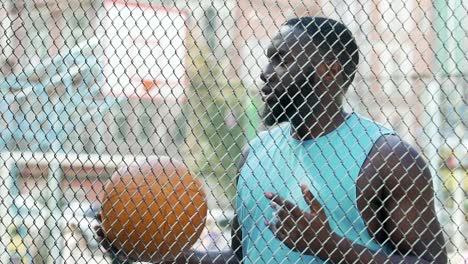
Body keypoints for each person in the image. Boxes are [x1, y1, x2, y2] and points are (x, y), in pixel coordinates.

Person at [95, 16, 447, 263]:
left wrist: (329, 246)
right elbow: (243, 257)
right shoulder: (255, 152)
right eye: (268, 60)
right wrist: (155, 253)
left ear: (330, 69)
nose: (265, 73)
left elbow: (433, 262)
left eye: (282, 60)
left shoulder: (388, 158)